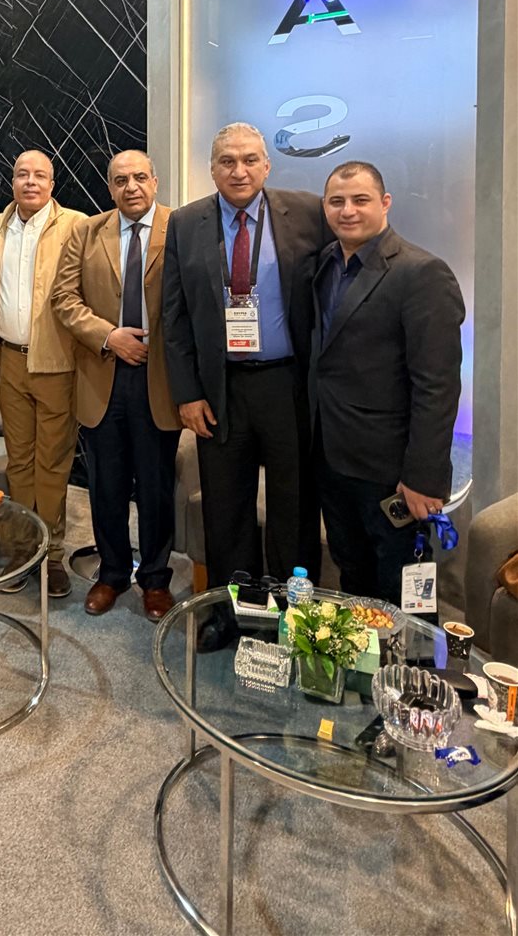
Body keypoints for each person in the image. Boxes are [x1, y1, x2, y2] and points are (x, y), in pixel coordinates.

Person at [162, 123, 326, 648]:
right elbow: (174, 316)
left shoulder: (308, 212)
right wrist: (187, 393)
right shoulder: (186, 222)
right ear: (212, 168)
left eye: (250, 160)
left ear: (267, 165)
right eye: (227, 161)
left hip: (287, 384)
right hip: (221, 389)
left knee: (293, 507)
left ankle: (293, 617)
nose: (239, 170)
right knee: (225, 506)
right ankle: (229, 615)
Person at [310, 161, 464, 604]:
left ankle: (411, 655)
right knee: (353, 579)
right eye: (337, 201)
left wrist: (424, 478)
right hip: (334, 458)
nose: (348, 211)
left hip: (392, 473)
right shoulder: (326, 263)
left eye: (360, 200)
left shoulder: (422, 273)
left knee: (406, 592)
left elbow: (437, 385)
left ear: (385, 203)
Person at [51, 150, 181, 621]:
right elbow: (63, 298)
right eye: (121, 180)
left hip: (159, 378)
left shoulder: (179, 227)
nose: (131, 187)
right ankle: (111, 573)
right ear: (109, 188)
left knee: (155, 485)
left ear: (155, 181)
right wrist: (109, 336)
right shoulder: (87, 232)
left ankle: (156, 580)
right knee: (106, 485)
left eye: (140, 177)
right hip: (102, 373)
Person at [0, 151, 85, 599]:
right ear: (12, 181)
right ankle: (23, 551)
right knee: (19, 461)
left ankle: (54, 554)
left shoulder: (77, 225)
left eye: (39, 175)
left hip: (56, 362)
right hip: (7, 360)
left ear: (52, 183)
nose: (30, 181)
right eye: (22, 174)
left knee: (53, 463)